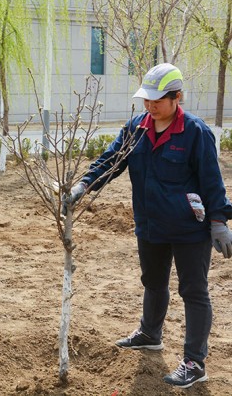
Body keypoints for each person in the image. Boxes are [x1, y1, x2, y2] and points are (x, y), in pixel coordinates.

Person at [64, 63, 232, 389]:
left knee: (193, 291)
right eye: (146, 100)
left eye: (157, 100)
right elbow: (111, 160)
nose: (150, 106)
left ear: (177, 97)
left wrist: (218, 221)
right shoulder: (137, 128)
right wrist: (83, 185)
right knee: (153, 282)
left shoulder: (195, 132)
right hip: (150, 225)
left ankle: (195, 362)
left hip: (189, 229)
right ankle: (149, 334)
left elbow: (212, 182)